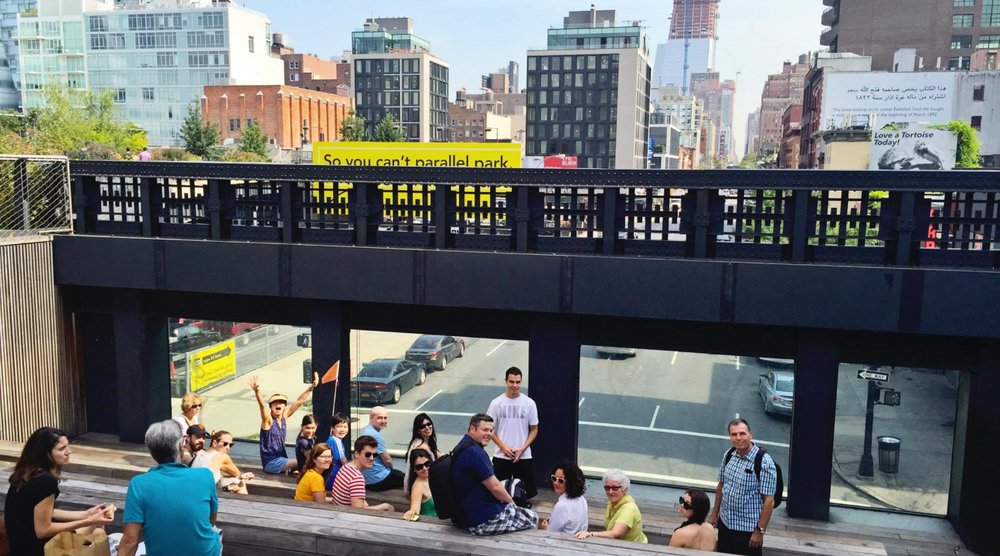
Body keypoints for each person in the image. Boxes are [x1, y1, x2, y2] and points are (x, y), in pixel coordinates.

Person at [3, 427, 114, 556]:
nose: (69, 452)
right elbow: (43, 530)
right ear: (46, 454)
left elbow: (46, 511)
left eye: (67, 446)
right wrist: (89, 521)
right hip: (38, 549)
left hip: (20, 545)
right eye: (62, 449)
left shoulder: (26, 473)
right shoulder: (45, 481)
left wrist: (87, 514)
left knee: (96, 526)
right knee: (98, 532)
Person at [118, 420, 222, 556]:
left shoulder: (139, 484)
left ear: (151, 451)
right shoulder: (204, 476)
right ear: (182, 445)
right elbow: (211, 520)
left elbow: (130, 542)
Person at [452, 413, 537, 536]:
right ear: (471, 429)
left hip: (466, 514)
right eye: (484, 430)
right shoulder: (475, 453)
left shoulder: (462, 446)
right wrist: (512, 505)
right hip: (482, 520)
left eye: (491, 430)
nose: (489, 434)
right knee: (533, 518)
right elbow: (495, 487)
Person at [708, 418, 777, 556]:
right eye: (734, 434)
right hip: (725, 524)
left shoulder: (764, 462)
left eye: (742, 433)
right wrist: (714, 514)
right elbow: (721, 485)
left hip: (747, 530)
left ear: (750, 434)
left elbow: (769, 501)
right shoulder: (729, 455)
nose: (738, 438)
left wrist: (759, 531)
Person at [248, 372, 318, 474]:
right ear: (271, 407)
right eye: (275, 403)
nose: (278, 404)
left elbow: (299, 402)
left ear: (285, 406)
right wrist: (257, 391)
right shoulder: (268, 421)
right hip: (271, 463)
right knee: (304, 462)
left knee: (304, 462)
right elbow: (262, 406)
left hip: (282, 460)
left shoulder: (283, 417)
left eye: (281, 402)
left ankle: (290, 470)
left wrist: (311, 387)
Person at [486, 366, 539, 499]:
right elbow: (489, 428)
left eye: (517, 382)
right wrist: (503, 447)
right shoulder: (496, 403)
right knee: (498, 492)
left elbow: (534, 429)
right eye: (511, 382)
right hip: (501, 455)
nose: (515, 385)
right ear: (506, 381)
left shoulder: (529, 403)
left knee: (525, 492)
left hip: (523, 455)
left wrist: (523, 448)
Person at [575, 469, 646, 543]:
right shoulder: (613, 502)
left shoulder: (629, 509)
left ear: (624, 489)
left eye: (615, 488)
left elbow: (616, 534)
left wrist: (590, 534)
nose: (610, 491)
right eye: (607, 488)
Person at [330, 436, 395, 512]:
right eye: (367, 454)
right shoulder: (357, 478)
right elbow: (358, 512)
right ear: (357, 454)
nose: (372, 458)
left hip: (338, 511)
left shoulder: (346, 467)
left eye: (374, 455)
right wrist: (384, 506)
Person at [191, 430, 254, 495]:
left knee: (234, 483)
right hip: (208, 491)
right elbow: (236, 474)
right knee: (240, 484)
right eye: (225, 444)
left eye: (231, 445)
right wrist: (242, 477)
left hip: (193, 488)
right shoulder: (222, 456)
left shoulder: (201, 454)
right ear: (214, 443)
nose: (228, 447)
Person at [360, 406, 404, 491]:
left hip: (366, 479)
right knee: (406, 478)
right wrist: (391, 469)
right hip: (377, 480)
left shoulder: (365, 430)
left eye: (385, 418)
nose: (383, 421)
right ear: (371, 418)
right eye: (379, 418)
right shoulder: (375, 436)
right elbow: (388, 461)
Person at [538, 461, 588, 534]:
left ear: (571, 483)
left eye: (561, 481)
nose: (556, 483)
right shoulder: (581, 499)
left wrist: (543, 528)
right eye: (554, 478)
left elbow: (550, 533)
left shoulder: (562, 506)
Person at [404, 412, 440, 494]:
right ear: (418, 431)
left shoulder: (425, 441)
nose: (427, 428)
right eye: (422, 426)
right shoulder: (420, 446)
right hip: (416, 488)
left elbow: (439, 455)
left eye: (429, 424)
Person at [402, 448, 436, 520]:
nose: (424, 468)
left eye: (427, 464)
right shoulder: (418, 486)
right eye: (419, 467)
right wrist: (412, 512)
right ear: (414, 469)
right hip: (431, 524)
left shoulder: (433, 478)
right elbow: (415, 509)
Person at [323, 413, 350, 491]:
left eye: (345, 427)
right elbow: (344, 462)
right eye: (339, 426)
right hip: (333, 480)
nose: (342, 430)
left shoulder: (332, 439)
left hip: (330, 478)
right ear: (333, 428)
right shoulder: (335, 441)